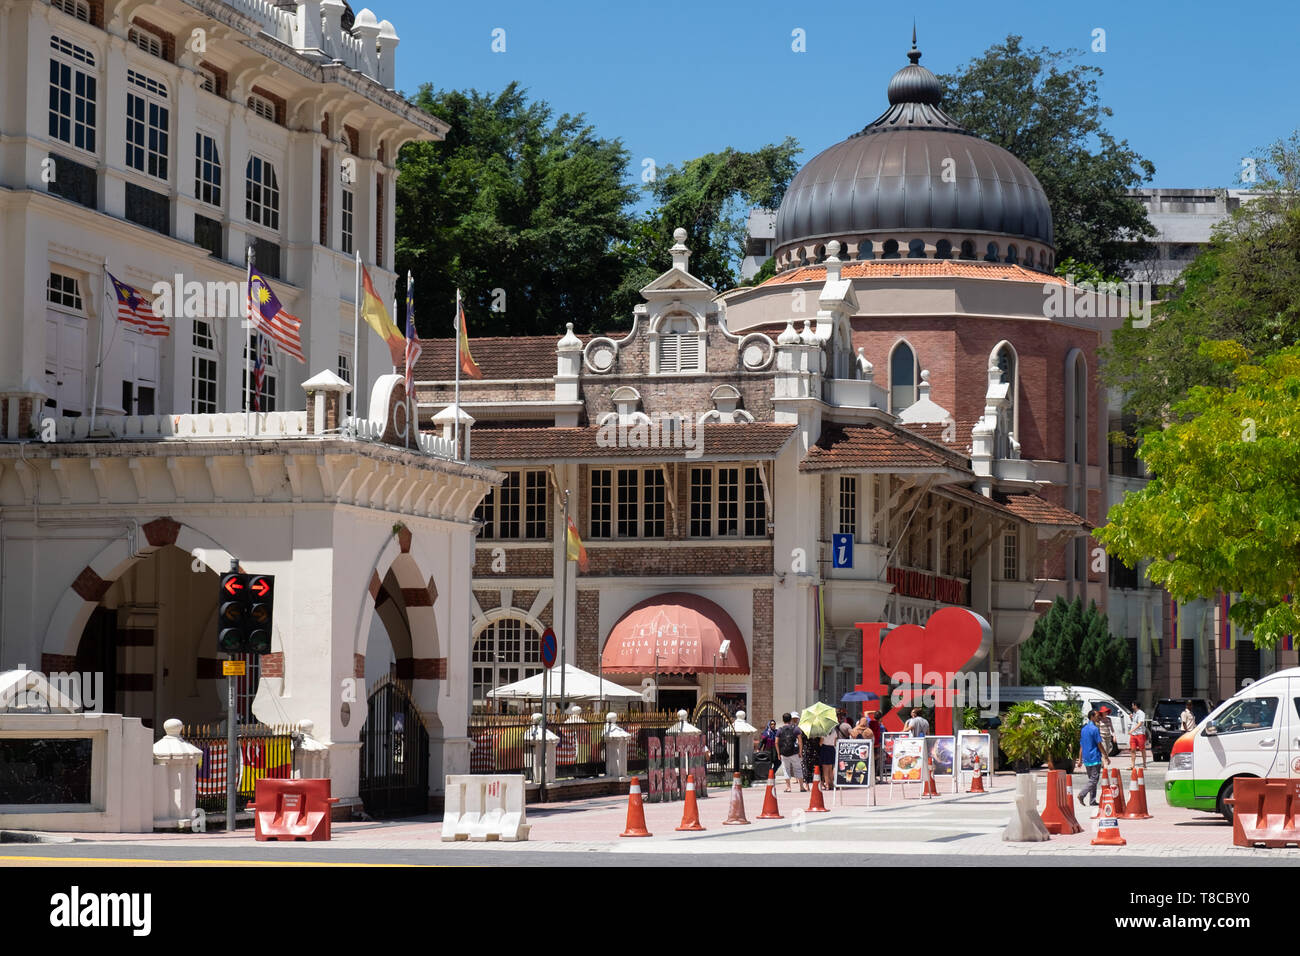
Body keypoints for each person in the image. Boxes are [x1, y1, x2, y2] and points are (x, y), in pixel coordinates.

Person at [1077, 709, 1109, 806]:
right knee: (1094, 779)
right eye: (1097, 715)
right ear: (1092, 717)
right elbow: (1099, 744)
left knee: (1091, 779)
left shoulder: (1084, 729)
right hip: (1094, 757)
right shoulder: (1095, 729)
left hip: (1087, 758)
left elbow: (1081, 746)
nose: (1098, 717)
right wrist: (1106, 755)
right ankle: (1082, 794)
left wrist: (1080, 759)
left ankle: (1092, 800)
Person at [776, 713, 807, 793]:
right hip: (794, 752)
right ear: (791, 720)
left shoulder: (780, 729)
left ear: (783, 720)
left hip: (784, 753)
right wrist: (800, 752)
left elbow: (776, 742)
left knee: (786, 769)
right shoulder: (796, 728)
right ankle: (801, 787)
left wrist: (778, 753)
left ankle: (788, 787)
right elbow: (800, 741)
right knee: (798, 769)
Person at [1129, 701, 1148, 770]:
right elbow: (1134, 722)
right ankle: (1132, 765)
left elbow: (1140, 723)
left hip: (1140, 733)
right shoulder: (1134, 713)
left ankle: (1144, 764)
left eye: (1132, 705)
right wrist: (1131, 718)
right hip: (1133, 734)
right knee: (1132, 749)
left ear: (1135, 706)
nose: (1132, 706)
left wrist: (1132, 730)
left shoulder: (1141, 713)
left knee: (1142, 749)